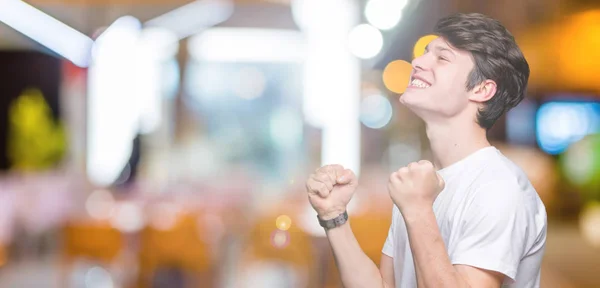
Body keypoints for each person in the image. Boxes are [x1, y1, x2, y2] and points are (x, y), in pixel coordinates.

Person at [305, 13, 547, 288]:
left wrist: (418, 209)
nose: (417, 62)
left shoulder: (499, 188)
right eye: (424, 53)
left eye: (442, 58)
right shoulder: (422, 183)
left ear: (482, 89)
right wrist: (334, 216)